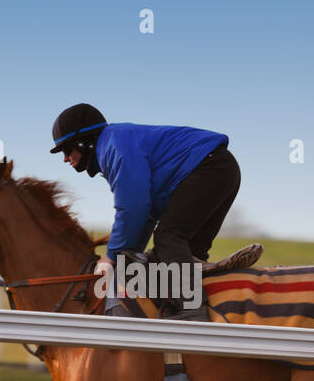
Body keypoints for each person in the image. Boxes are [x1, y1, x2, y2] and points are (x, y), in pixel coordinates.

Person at [49, 103, 241, 320]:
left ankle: (193, 312)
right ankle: (194, 300)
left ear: (84, 143)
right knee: (186, 252)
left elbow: (133, 208)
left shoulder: (114, 148)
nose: (65, 158)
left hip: (210, 168)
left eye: (66, 150)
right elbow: (145, 214)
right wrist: (128, 255)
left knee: (168, 237)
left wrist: (111, 257)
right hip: (222, 169)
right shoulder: (114, 142)